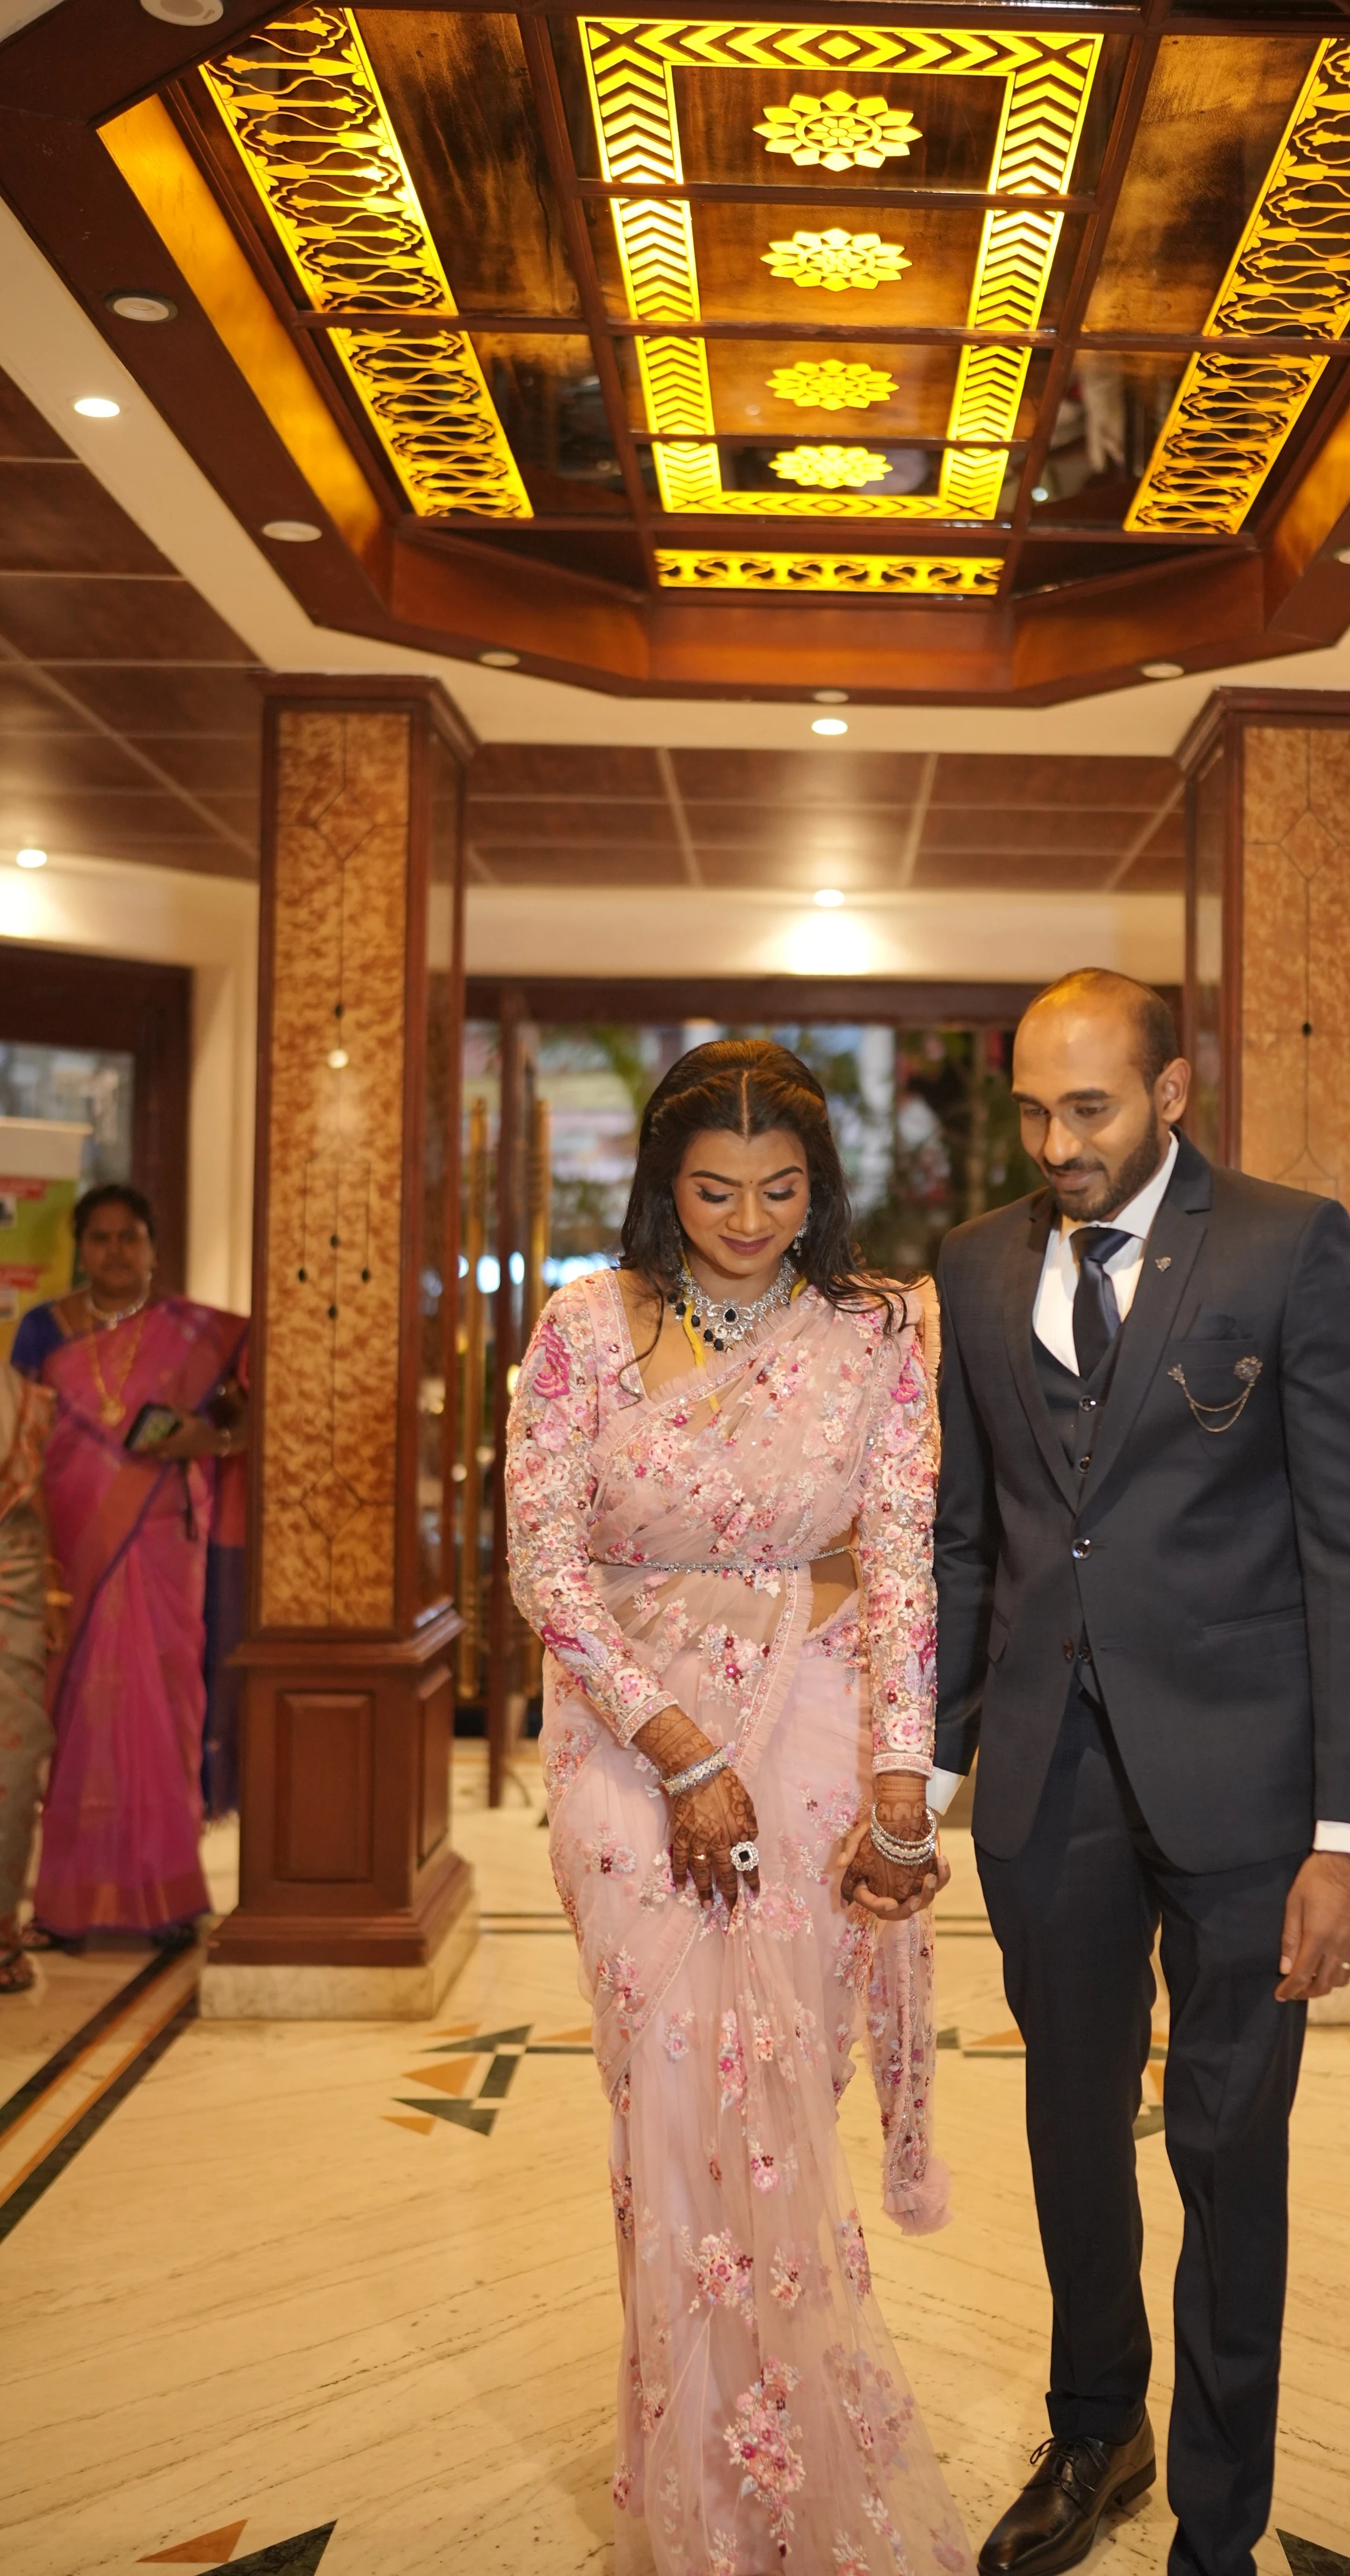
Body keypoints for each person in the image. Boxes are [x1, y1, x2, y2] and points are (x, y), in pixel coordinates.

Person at [932, 970, 1350, 2576]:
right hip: (1043, 1787)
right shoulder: (976, 1264)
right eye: (1031, 1110)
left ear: (1175, 1089)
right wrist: (927, 1766)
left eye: (1090, 1108)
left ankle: (1216, 2519)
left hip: (1246, 1801)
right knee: (1070, 2126)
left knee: (1224, 2149)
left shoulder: (1286, 1244)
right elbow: (964, 1540)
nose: (1055, 1142)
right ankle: (1094, 2430)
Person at [506, 1039, 971, 2576]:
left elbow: (905, 1566)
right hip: (632, 1738)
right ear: (662, 1181)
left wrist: (902, 1786)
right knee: (673, 2096)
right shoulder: (584, 1328)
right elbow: (545, 1566)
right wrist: (679, 1747)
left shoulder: (874, 1335)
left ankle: (785, 2459)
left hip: (819, 1723)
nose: (748, 1219)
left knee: (780, 2110)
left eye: (780, 1191)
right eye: (714, 1189)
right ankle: (694, 2487)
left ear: (818, 1187)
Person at [12, 1184, 248, 1947]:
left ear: (152, 1249)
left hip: (161, 1541)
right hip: (68, 1547)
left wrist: (203, 1439)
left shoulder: (190, 1334)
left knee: (164, 1705)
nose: (115, 1252)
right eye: (101, 1238)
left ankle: (168, 1898)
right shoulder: (42, 1331)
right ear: (80, 1248)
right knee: (79, 1715)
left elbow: (247, 1414)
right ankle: (67, 1905)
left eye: (130, 1238)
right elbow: (20, 1438)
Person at [0, 1356, 55, 1990]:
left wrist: (54, 1591)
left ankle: (0, 1928)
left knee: (11, 1769)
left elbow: (34, 1500)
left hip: (11, 1600)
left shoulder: (17, 1395)